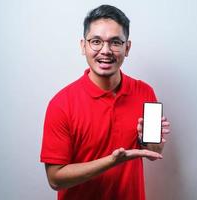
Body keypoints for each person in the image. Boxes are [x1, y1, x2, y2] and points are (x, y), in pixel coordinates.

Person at [40, 4, 170, 200]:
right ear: (83, 46)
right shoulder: (61, 104)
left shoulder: (145, 91)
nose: (106, 50)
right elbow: (55, 179)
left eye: (115, 42)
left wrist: (152, 142)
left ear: (127, 48)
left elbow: (152, 152)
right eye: (96, 41)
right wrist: (111, 161)